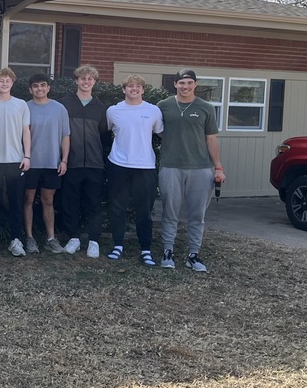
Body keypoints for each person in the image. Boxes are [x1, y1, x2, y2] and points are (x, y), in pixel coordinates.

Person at [158, 68, 225, 272]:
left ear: (196, 84)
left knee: (197, 215)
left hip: (201, 168)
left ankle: (193, 255)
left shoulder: (206, 108)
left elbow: (211, 139)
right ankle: (167, 252)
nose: (185, 86)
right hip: (170, 167)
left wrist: (218, 167)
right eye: (181, 83)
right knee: (169, 213)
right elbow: (158, 131)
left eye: (189, 83)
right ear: (175, 85)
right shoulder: (163, 106)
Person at [105, 74, 163, 265]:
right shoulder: (113, 111)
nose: (134, 89)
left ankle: (145, 249)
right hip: (118, 165)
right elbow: (109, 132)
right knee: (117, 208)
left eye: (138, 86)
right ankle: (118, 245)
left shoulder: (153, 110)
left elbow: (160, 133)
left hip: (145, 166)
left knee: (144, 210)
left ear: (143, 90)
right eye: (130, 86)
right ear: (124, 90)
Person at [59, 65, 109, 259]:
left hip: (95, 164)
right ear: (76, 81)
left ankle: (94, 240)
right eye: (82, 78)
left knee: (93, 203)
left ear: (94, 82)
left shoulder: (101, 108)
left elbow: (105, 138)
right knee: (70, 202)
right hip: (71, 162)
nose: (86, 82)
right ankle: (73, 237)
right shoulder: (64, 104)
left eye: (90, 79)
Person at [0, 68, 31, 257]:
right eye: (1, 81)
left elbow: (26, 131)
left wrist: (27, 156)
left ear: (12, 83)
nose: (4, 83)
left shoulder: (21, 105)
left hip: (16, 160)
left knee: (15, 202)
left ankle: (15, 239)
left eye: (7, 80)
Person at [23, 73, 70, 255]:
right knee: (28, 200)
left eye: (43, 85)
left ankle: (51, 238)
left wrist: (64, 160)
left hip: (52, 163)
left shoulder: (59, 109)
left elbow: (66, 136)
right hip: (30, 163)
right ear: (30, 89)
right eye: (35, 86)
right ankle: (29, 238)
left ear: (48, 87)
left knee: (48, 201)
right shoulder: (24, 108)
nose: (39, 89)